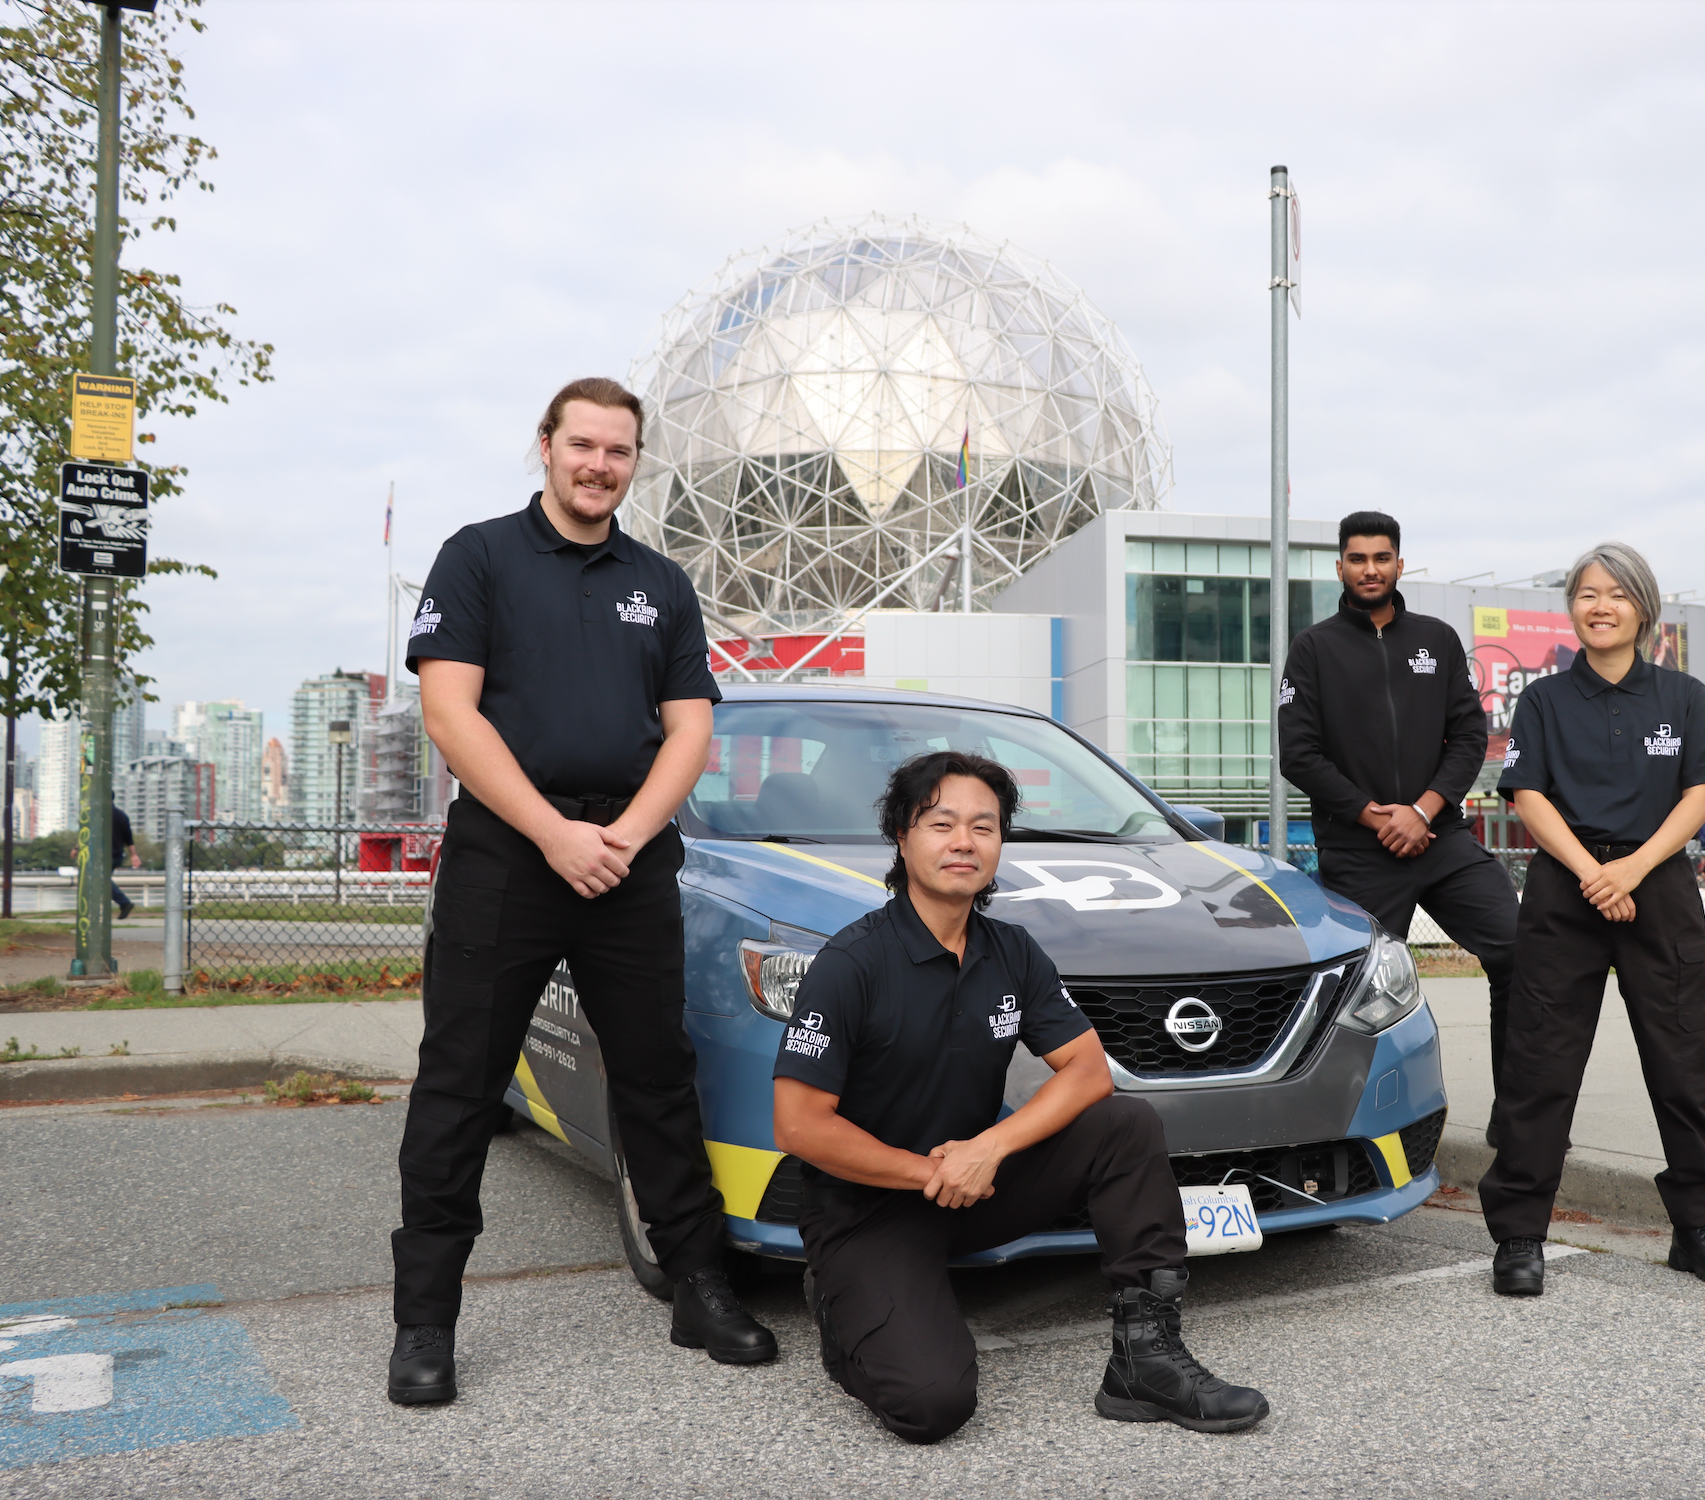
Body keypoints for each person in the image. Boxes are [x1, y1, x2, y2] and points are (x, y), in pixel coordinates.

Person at [387, 378, 776, 1406]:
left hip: (628, 852)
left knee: (657, 1075)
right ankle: (425, 1320)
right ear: (546, 447)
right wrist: (555, 835)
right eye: (583, 446)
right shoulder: (479, 557)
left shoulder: (661, 582)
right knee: (459, 1084)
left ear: (635, 461)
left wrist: (624, 837)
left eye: (619, 451)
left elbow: (690, 726)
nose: (600, 465)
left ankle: (698, 1286)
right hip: (510, 852)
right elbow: (450, 713)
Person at [776, 750, 1268, 1444]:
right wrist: (931, 1172)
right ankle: (841, 1303)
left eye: (984, 826)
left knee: (1123, 1124)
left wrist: (989, 1149)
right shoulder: (851, 964)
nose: (963, 842)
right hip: (868, 1210)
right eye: (941, 823)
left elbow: (1089, 1071)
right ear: (901, 837)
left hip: (976, 1185)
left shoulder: (1011, 950)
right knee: (931, 1406)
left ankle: (1145, 1359)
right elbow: (798, 1126)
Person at [1479, 541, 1705, 1296]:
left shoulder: (1684, 697)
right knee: (1540, 1066)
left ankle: (1701, 1230)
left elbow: (1701, 792)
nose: (1600, 606)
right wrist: (1593, 873)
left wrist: (1630, 869)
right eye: (1586, 594)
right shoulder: (1543, 700)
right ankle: (1520, 1236)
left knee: (1684, 1060)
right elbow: (1529, 794)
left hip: (1656, 885)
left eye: (1616, 594)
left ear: (1643, 607)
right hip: (1567, 890)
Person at [1279, 510, 1519, 1149]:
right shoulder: (1313, 649)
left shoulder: (1437, 640)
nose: (1370, 569)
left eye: (1381, 558)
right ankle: (1349, 1127)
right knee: (1356, 993)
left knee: (1521, 951)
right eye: (1357, 559)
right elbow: (1298, 755)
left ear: (1399, 565)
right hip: (1358, 852)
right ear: (1340, 568)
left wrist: (1424, 809)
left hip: (1443, 840)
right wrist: (1372, 814)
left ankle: (1522, 1119)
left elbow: (1470, 736)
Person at [110, 803, 140, 920]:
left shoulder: (97, 814)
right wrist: (134, 855)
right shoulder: (122, 815)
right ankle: (122, 902)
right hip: (117, 854)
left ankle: (124, 902)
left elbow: (88, 833)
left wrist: (77, 848)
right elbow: (129, 838)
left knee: (100, 879)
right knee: (101, 880)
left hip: (103, 854)